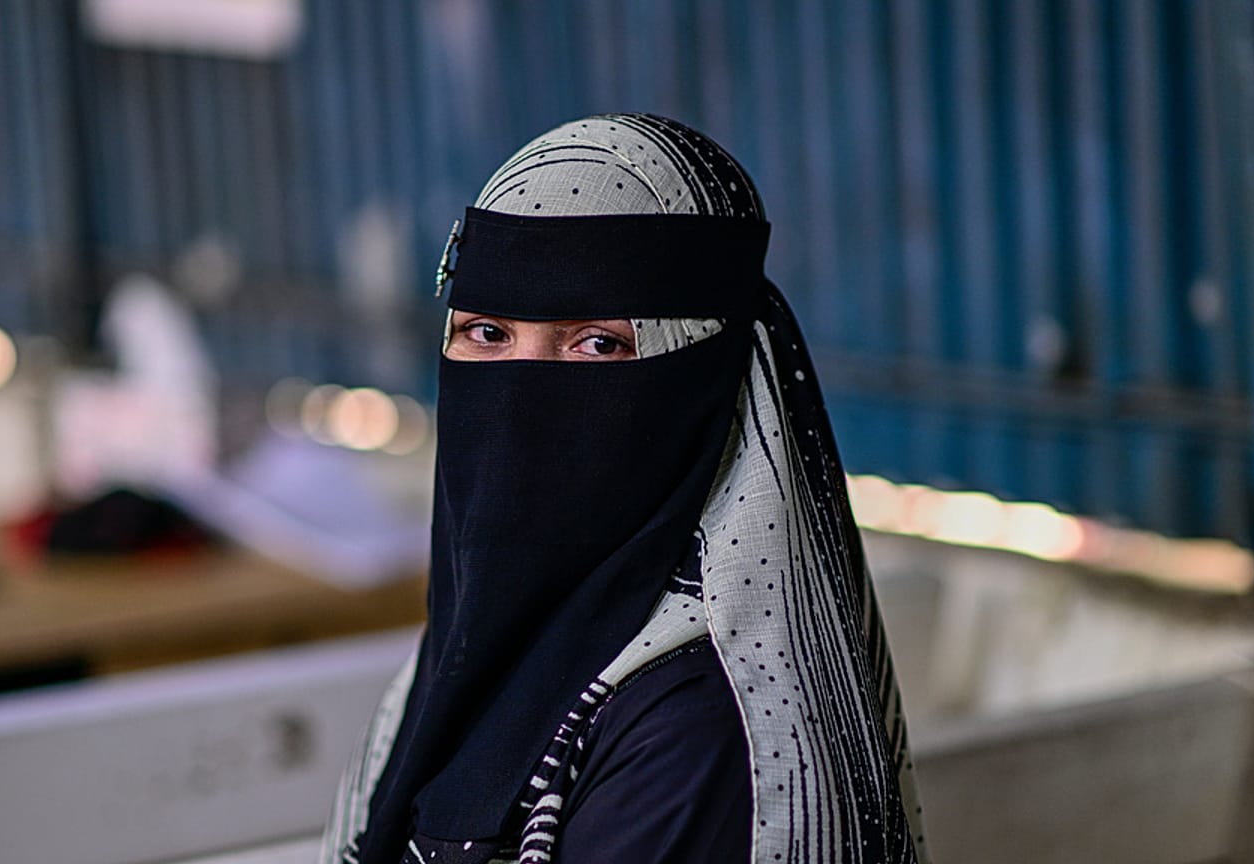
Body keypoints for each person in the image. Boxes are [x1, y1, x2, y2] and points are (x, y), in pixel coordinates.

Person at [322, 114, 927, 864]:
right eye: (487, 333)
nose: (519, 396)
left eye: (598, 342)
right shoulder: (464, 661)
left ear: (700, 375)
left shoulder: (695, 733)